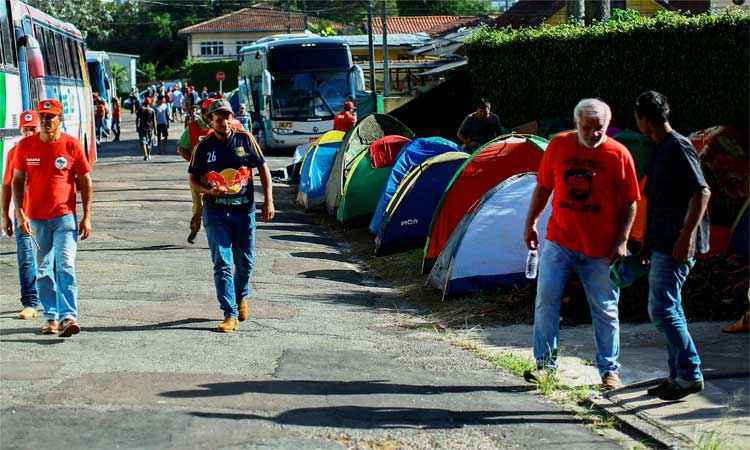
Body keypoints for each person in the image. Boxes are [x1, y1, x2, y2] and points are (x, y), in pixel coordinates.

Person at [523, 98, 640, 391]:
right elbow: (543, 187)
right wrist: (530, 223)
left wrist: (622, 240)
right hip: (560, 240)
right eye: (587, 127)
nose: (593, 134)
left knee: (604, 308)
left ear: (607, 126)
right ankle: (545, 367)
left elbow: (630, 202)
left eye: (599, 128)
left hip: (601, 249)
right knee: (546, 301)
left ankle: (609, 371)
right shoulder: (559, 146)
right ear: (576, 124)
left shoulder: (619, 154)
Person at [634, 90, 712, 400]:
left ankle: (690, 373)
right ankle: (677, 376)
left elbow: (702, 192)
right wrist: (645, 244)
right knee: (671, 309)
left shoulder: (679, 146)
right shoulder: (659, 148)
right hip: (661, 242)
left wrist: (686, 237)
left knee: (662, 310)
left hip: (676, 244)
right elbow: (656, 200)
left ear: (643, 119)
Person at [188, 99, 275, 332]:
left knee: (245, 262)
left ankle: (240, 296)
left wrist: (268, 200)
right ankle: (229, 313)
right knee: (222, 262)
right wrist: (208, 191)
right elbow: (193, 179)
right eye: (218, 118)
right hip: (216, 212)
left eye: (227, 116)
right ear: (210, 120)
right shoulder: (204, 146)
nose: (224, 122)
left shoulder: (245, 139)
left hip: (244, 211)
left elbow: (263, 169)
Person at [11, 99, 93, 337]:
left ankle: (69, 316)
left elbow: (86, 181)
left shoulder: (72, 145)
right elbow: (16, 181)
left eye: (51, 117)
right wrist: (19, 212)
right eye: (42, 117)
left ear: (60, 119)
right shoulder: (26, 146)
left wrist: (87, 216)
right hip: (36, 219)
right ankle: (50, 317)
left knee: (65, 265)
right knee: (44, 269)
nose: (46, 121)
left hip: (64, 218)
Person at [2, 110, 40, 320]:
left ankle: (54, 300)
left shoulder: (49, 150)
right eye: (25, 129)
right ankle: (30, 302)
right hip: (22, 215)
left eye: (32, 129)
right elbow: (6, 185)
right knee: (26, 258)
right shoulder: (14, 152)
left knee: (48, 259)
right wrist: (5, 215)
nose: (28, 133)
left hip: (46, 215)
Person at [178, 98, 214, 243]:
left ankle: (217, 236)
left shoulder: (221, 127)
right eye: (212, 113)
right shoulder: (192, 127)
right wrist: (194, 163)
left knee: (216, 207)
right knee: (198, 206)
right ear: (205, 113)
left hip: (217, 176)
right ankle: (195, 228)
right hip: (198, 176)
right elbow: (181, 148)